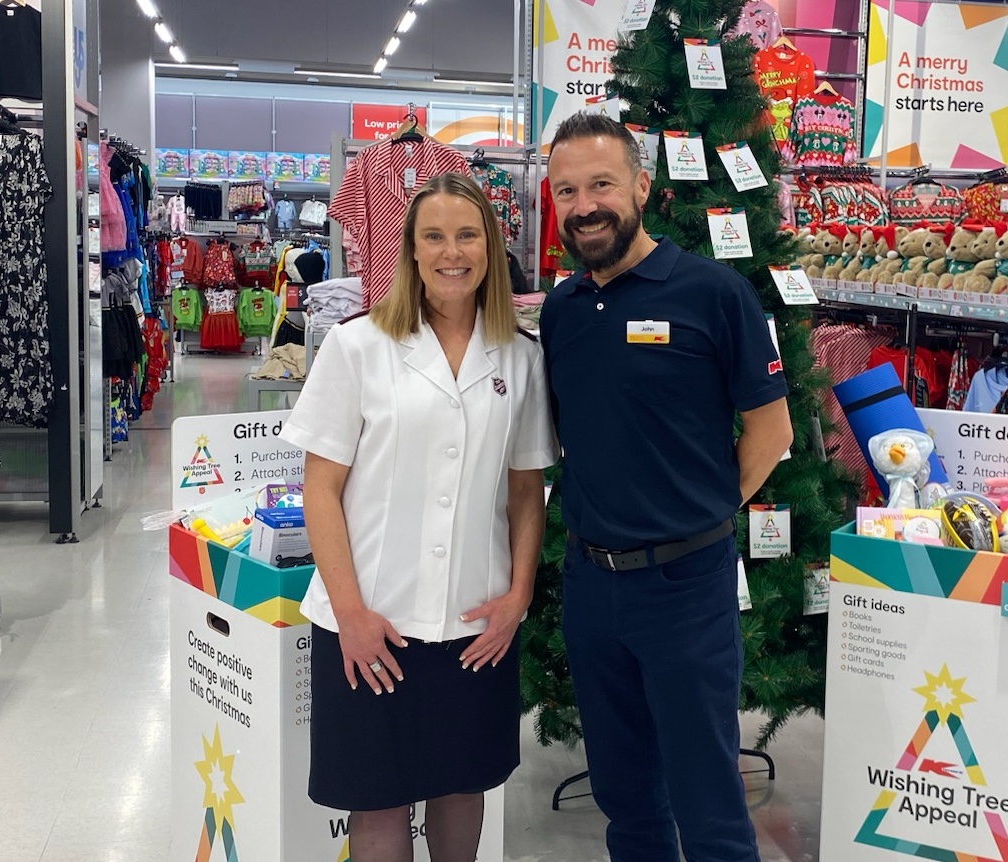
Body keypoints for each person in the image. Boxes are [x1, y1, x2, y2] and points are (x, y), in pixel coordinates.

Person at [279, 173, 557, 862]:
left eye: (467, 235)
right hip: (374, 620)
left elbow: (526, 491)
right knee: (377, 799)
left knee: (462, 789)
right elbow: (321, 491)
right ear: (409, 251)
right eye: (433, 236)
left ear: (491, 247)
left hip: (475, 620)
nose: (451, 251)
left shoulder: (521, 358)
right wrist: (351, 613)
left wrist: (518, 596)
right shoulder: (358, 347)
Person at [540, 112, 794, 862]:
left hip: (686, 586)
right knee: (625, 799)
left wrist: (700, 516)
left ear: (642, 187)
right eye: (566, 191)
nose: (585, 205)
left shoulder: (713, 293)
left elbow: (772, 432)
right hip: (591, 584)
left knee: (708, 801)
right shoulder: (560, 309)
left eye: (602, 184)